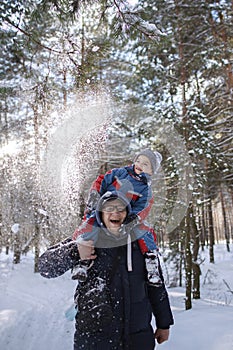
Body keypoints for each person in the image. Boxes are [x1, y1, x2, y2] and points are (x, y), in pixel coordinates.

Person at [39, 191, 174, 350]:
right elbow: (45, 267)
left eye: (120, 209)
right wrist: (75, 251)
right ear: (100, 214)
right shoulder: (86, 240)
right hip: (94, 339)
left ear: (127, 213)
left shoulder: (142, 245)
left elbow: (156, 286)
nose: (115, 213)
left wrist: (164, 323)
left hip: (137, 338)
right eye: (109, 209)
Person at [72, 149, 163, 284]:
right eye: (138, 161)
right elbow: (102, 180)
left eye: (145, 164)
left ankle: (151, 262)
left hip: (126, 216)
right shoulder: (121, 173)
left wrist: (134, 218)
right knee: (90, 226)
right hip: (104, 210)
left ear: (151, 171)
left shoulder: (145, 189)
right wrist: (95, 194)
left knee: (145, 231)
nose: (139, 164)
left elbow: (144, 206)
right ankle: (83, 261)